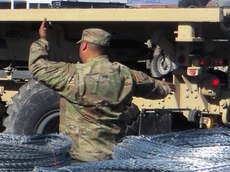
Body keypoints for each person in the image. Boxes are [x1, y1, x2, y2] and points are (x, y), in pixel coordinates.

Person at [29, 20, 172, 163]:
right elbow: (154, 87)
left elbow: (37, 67)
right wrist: (164, 86)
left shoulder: (73, 75)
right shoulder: (125, 74)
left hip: (78, 158)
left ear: (84, 45)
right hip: (111, 158)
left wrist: (43, 40)